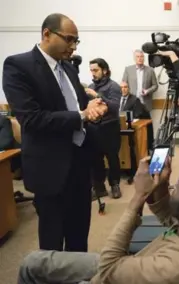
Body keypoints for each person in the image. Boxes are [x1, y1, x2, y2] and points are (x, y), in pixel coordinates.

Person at [18, 159, 179, 284]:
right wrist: (161, 186)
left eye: (176, 188)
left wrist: (137, 199)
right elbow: (172, 217)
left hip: (117, 270)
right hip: (139, 264)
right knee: (39, 261)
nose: (172, 189)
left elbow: (108, 267)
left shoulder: (176, 269)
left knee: (32, 264)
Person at [2, 13, 109, 252]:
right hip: (50, 168)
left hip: (80, 163)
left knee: (79, 235)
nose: (73, 47)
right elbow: (31, 119)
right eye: (69, 39)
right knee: (52, 241)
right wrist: (82, 114)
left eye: (76, 41)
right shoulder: (18, 66)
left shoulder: (69, 68)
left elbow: (81, 106)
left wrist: (95, 108)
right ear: (47, 34)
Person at [86, 58, 122, 199]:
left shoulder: (114, 86)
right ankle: (99, 188)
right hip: (93, 128)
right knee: (96, 159)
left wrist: (97, 96)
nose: (93, 73)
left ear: (104, 70)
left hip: (110, 127)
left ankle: (115, 185)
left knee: (112, 158)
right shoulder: (91, 86)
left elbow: (114, 107)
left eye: (95, 70)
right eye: (91, 70)